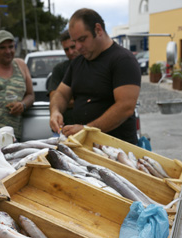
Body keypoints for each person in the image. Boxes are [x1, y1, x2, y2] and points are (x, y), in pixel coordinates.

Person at [50, 9, 141, 144]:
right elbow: (62, 94)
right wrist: (55, 111)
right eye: (75, 41)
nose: (78, 47)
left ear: (98, 30)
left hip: (116, 149)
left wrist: (87, 129)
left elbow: (125, 106)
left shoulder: (123, 59)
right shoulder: (77, 63)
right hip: (85, 146)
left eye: (82, 39)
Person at [48, 30, 79, 125]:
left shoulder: (92, 66)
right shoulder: (60, 69)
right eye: (66, 49)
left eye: (73, 47)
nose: (70, 52)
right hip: (66, 126)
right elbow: (54, 99)